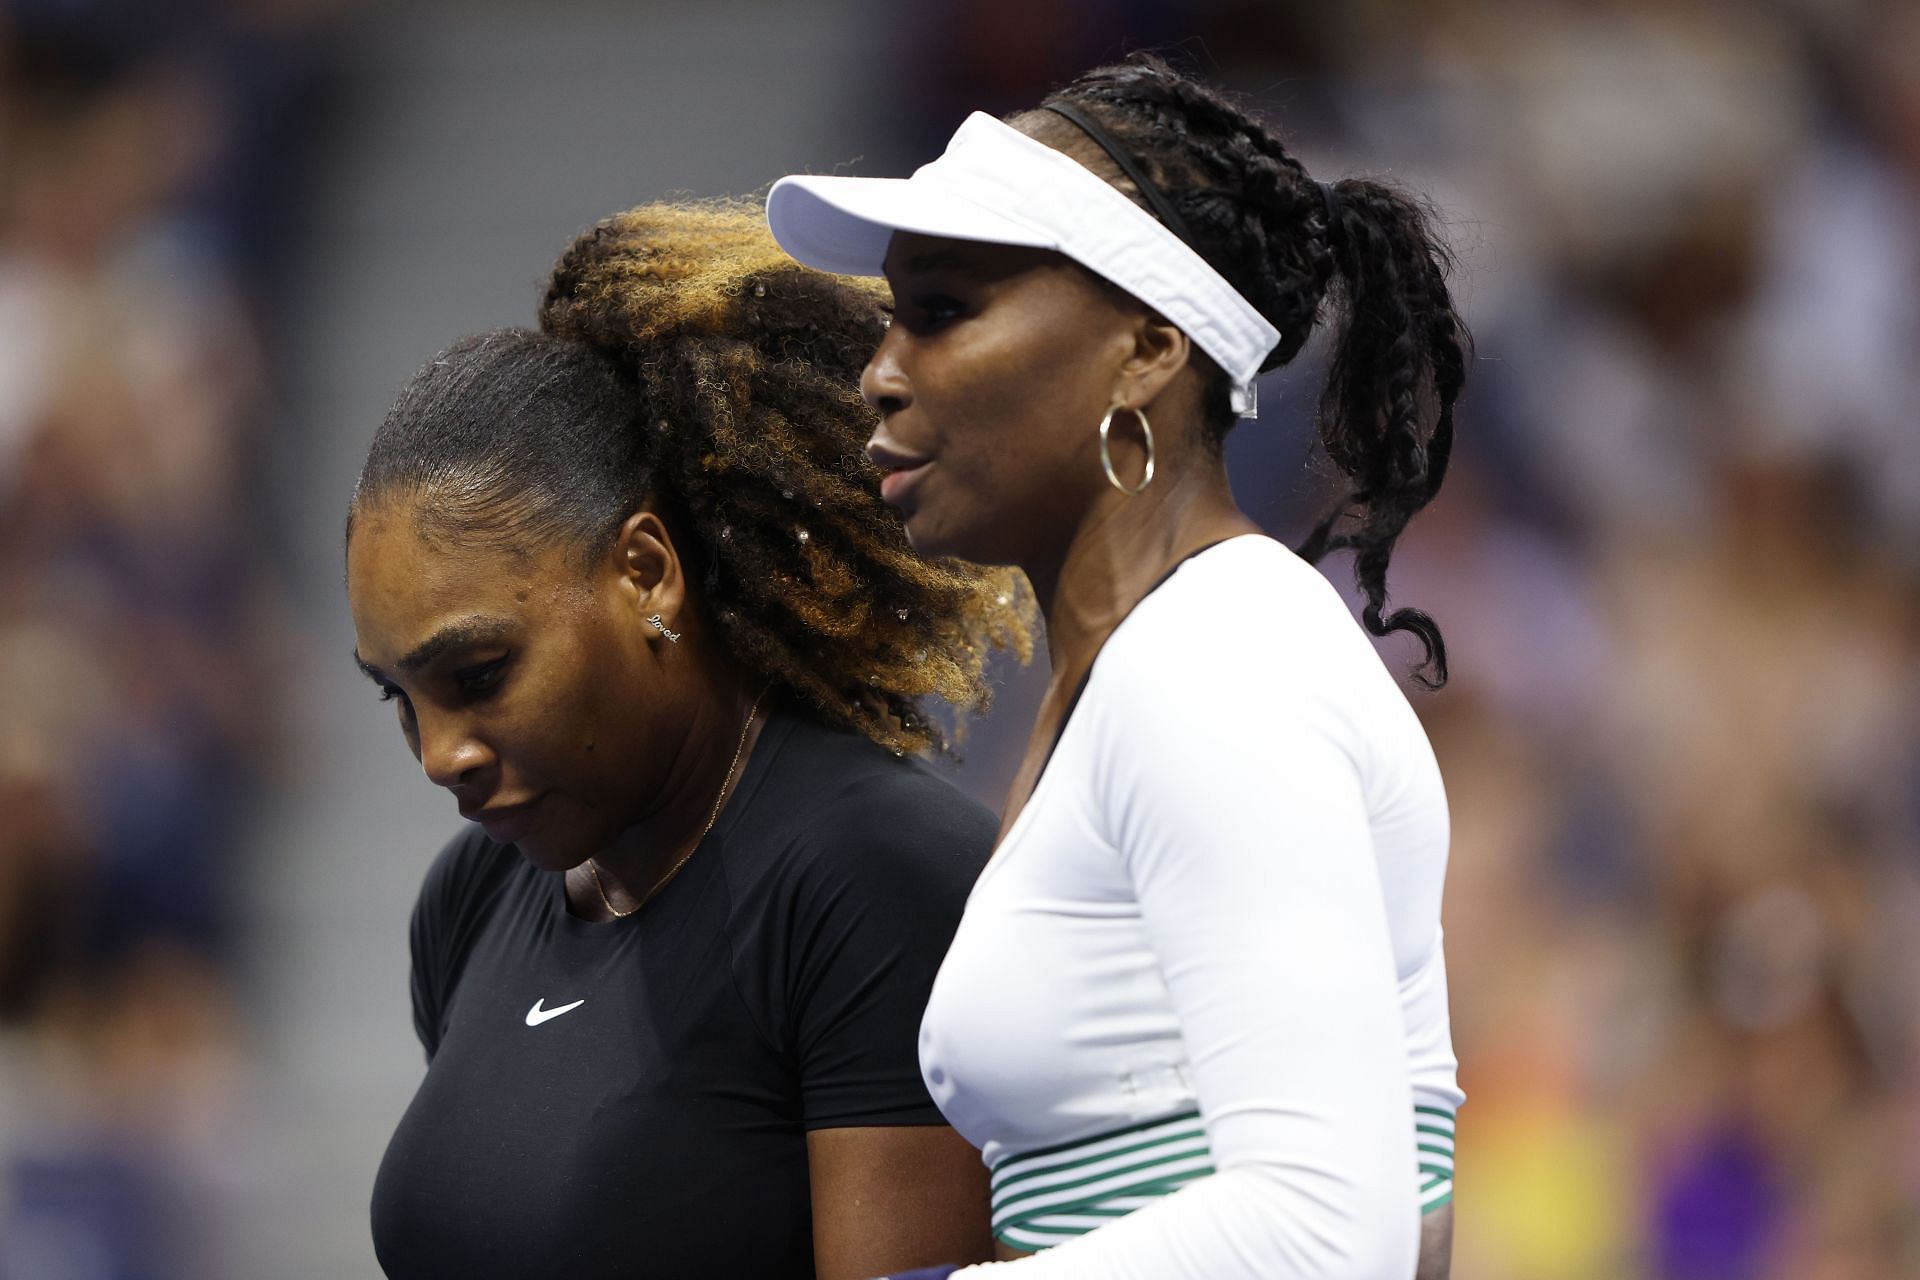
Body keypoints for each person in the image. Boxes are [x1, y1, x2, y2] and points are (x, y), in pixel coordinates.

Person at [768, 54, 1468, 1279]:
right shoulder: (1149, 668)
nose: (879, 369)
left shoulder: (1216, 665)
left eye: (939, 310)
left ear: (1146, 348)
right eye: (891, 315)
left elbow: (1328, 1236)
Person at [346, 201, 1033, 1280]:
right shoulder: (471, 897)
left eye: (478, 676)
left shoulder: (876, 880)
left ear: (647, 572)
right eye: (400, 697)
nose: (443, 755)